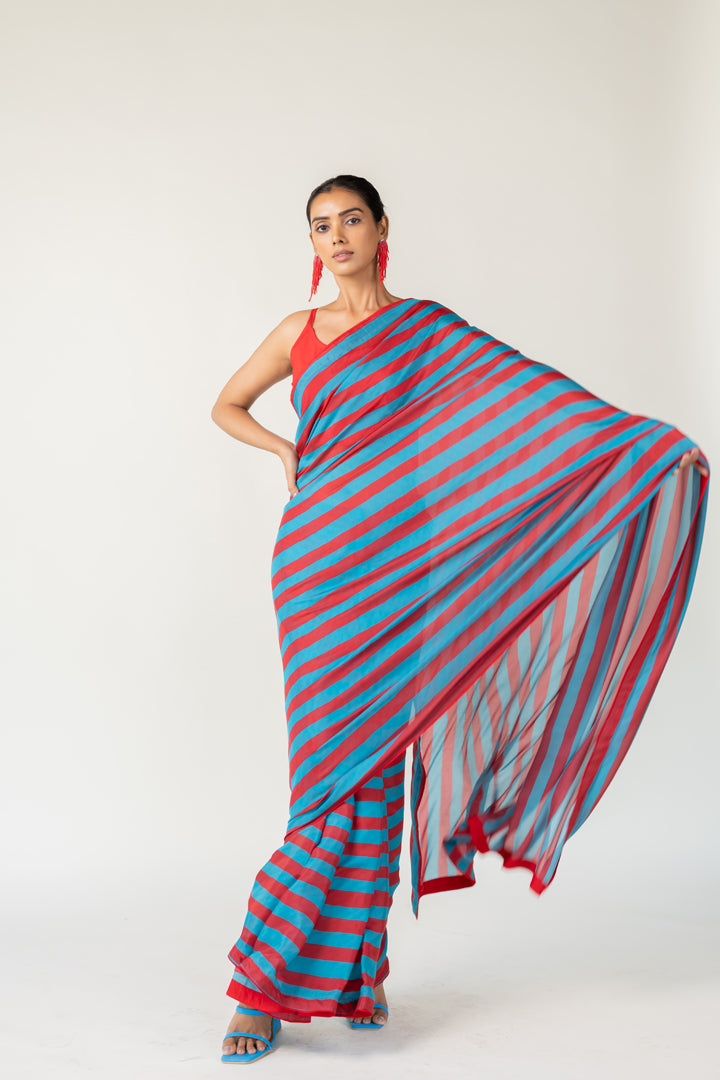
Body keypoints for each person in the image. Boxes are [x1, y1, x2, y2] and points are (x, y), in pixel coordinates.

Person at [210, 174, 709, 1063]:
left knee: (380, 766)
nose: (336, 237)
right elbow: (225, 404)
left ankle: (356, 972)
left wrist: (637, 447)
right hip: (318, 568)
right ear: (311, 242)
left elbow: (526, 406)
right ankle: (263, 988)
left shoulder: (427, 330)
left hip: (404, 572)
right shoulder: (298, 333)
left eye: (351, 220)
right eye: (321, 226)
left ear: (381, 228)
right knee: (327, 771)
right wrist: (285, 448)